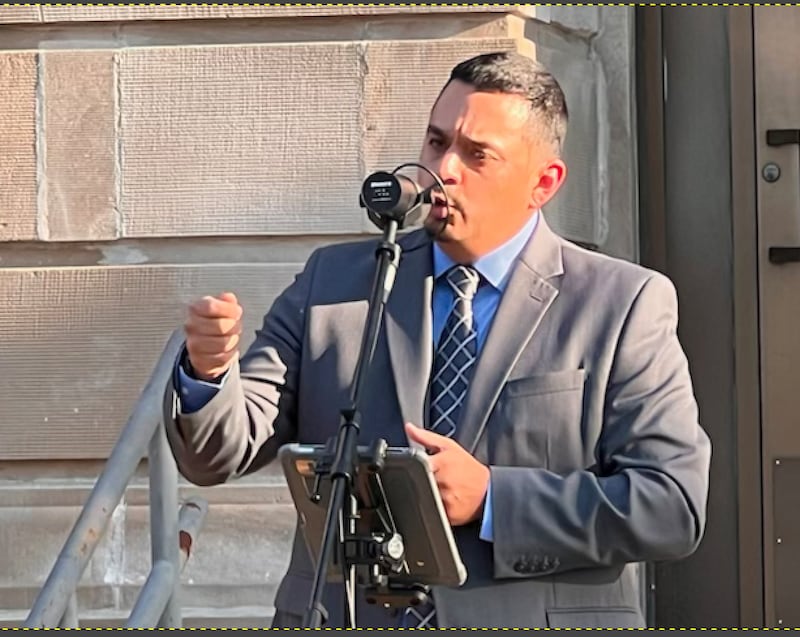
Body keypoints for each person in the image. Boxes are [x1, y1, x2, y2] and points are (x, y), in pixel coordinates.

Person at [163, 51, 711, 629]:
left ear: (543, 183)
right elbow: (218, 455)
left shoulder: (622, 303)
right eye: (435, 142)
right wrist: (210, 372)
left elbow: (670, 505)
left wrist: (494, 498)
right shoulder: (337, 283)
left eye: (477, 155)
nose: (443, 169)